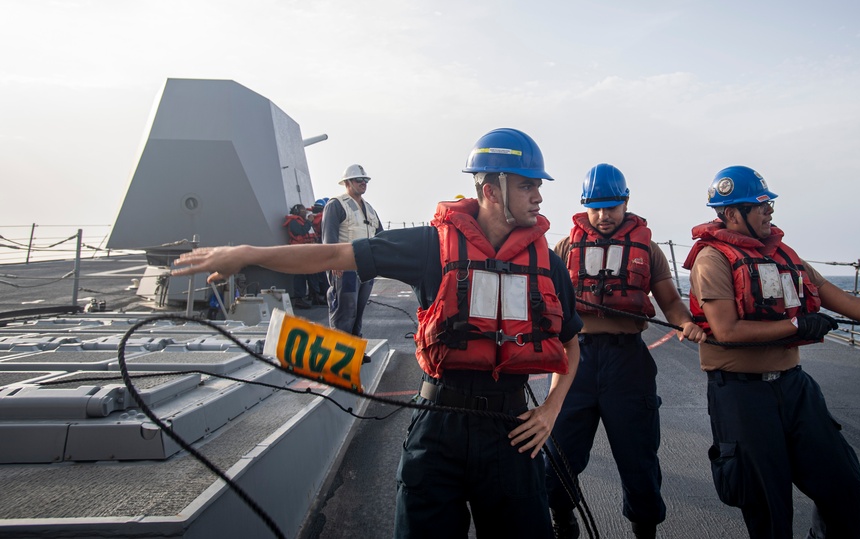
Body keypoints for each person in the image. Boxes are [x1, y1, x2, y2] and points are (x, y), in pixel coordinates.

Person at [172, 128, 583, 539]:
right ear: (493, 190)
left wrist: (549, 411)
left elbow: (570, 344)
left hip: (511, 430)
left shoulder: (547, 263)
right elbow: (334, 254)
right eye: (528, 185)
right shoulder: (430, 246)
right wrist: (247, 255)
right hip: (439, 427)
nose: (539, 197)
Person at [682, 165, 860, 539]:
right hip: (741, 395)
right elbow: (726, 329)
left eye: (769, 203)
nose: (769, 210)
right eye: (760, 205)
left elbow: (845, 302)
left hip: (794, 389)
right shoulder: (712, 260)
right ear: (730, 214)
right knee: (768, 511)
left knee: (843, 489)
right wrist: (796, 326)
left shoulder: (783, 256)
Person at [546, 164, 706, 539]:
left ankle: (644, 531)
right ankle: (562, 520)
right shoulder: (564, 248)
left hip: (628, 363)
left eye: (612, 207)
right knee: (559, 455)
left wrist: (686, 324)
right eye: (596, 207)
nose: (603, 216)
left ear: (626, 202)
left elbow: (671, 302)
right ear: (585, 205)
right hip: (575, 361)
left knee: (639, 462)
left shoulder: (647, 251)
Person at [322, 165, 383, 360]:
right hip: (345, 268)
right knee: (344, 311)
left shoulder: (370, 209)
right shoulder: (336, 205)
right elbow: (328, 237)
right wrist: (334, 263)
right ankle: (339, 354)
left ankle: (355, 350)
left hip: (365, 268)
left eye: (365, 180)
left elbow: (380, 236)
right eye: (359, 180)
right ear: (347, 183)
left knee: (358, 311)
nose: (363, 183)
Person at [281, 204, 321, 310]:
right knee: (300, 276)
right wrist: (309, 222)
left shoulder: (304, 222)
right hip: (298, 252)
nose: (304, 212)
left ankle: (315, 296)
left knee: (313, 273)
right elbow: (300, 231)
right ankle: (299, 299)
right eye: (302, 210)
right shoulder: (294, 222)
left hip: (308, 251)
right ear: (297, 211)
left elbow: (311, 233)